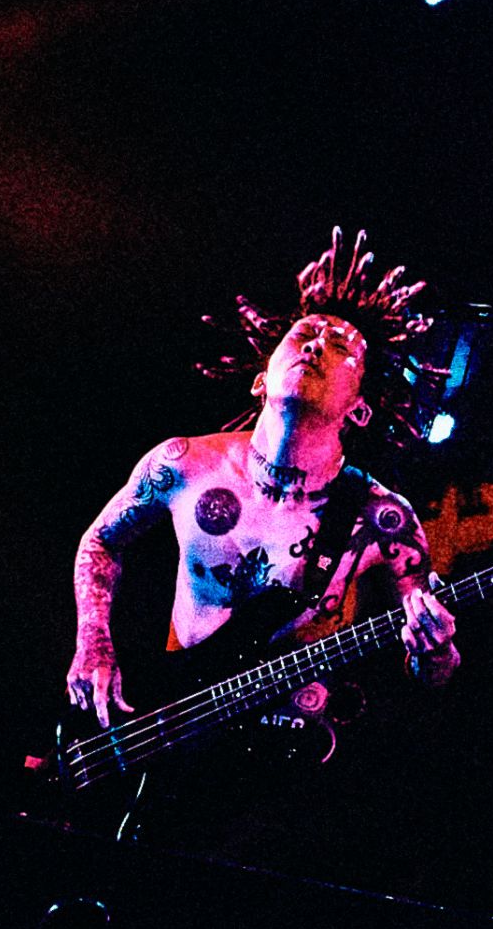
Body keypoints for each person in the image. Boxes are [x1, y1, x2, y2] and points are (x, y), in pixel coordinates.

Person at [66, 228, 459, 817]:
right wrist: (93, 641)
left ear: (359, 408)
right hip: (170, 725)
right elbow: (101, 541)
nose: (316, 345)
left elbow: (433, 673)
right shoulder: (182, 464)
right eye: (303, 334)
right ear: (261, 378)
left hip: (284, 764)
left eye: (341, 347)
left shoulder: (383, 519)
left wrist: (437, 648)